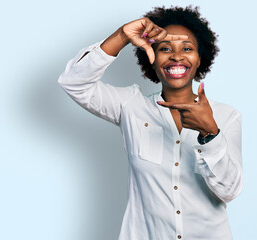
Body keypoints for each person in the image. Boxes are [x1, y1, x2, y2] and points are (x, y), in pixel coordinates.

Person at [58, 6, 242, 240]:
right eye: (165, 48)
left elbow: (229, 191)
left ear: (199, 60)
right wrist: (121, 36)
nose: (177, 56)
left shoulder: (227, 116)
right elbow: (73, 82)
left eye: (187, 48)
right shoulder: (131, 107)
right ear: (151, 59)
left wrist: (210, 134)